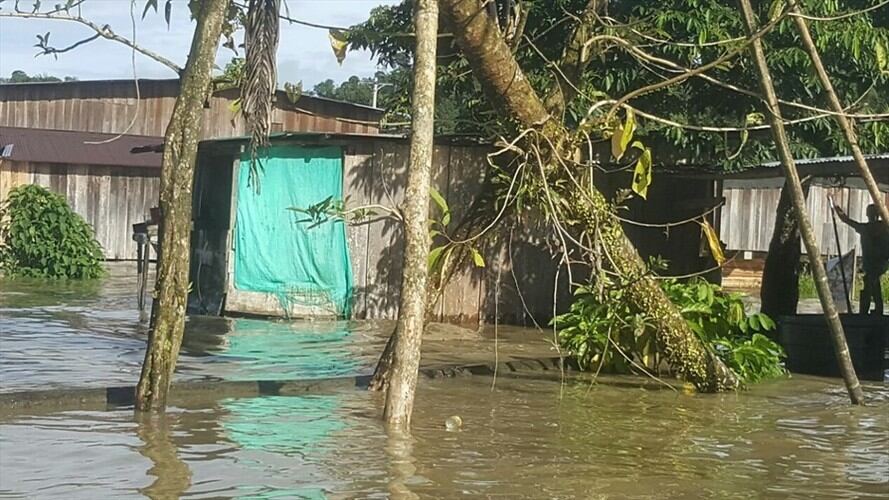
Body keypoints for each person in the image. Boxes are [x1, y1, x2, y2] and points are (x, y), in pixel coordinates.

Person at [835, 204, 889, 315]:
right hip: (875, 262)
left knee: (870, 283)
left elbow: (846, 220)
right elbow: (845, 220)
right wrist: (836, 208)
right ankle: (875, 311)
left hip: (879, 262)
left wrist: (836, 208)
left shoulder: (879, 227)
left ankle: (868, 312)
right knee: (871, 284)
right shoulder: (869, 228)